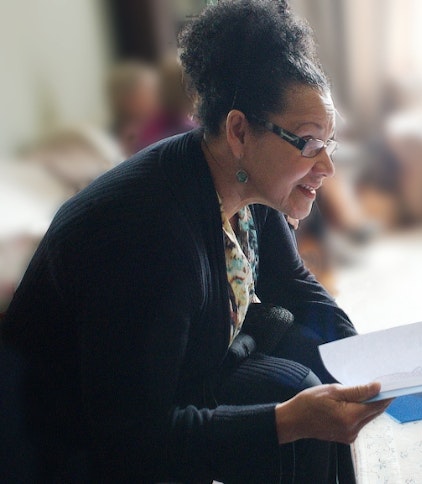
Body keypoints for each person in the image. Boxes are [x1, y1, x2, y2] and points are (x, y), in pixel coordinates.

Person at [0, 1, 390, 482]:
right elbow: (132, 439)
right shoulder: (149, 237)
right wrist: (286, 421)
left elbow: (294, 284)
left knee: (309, 373)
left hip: (183, 366)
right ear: (239, 131)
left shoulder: (242, 180)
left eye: (329, 144)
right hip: (71, 437)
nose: (326, 167)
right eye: (308, 142)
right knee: (299, 413)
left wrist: (370, 362)